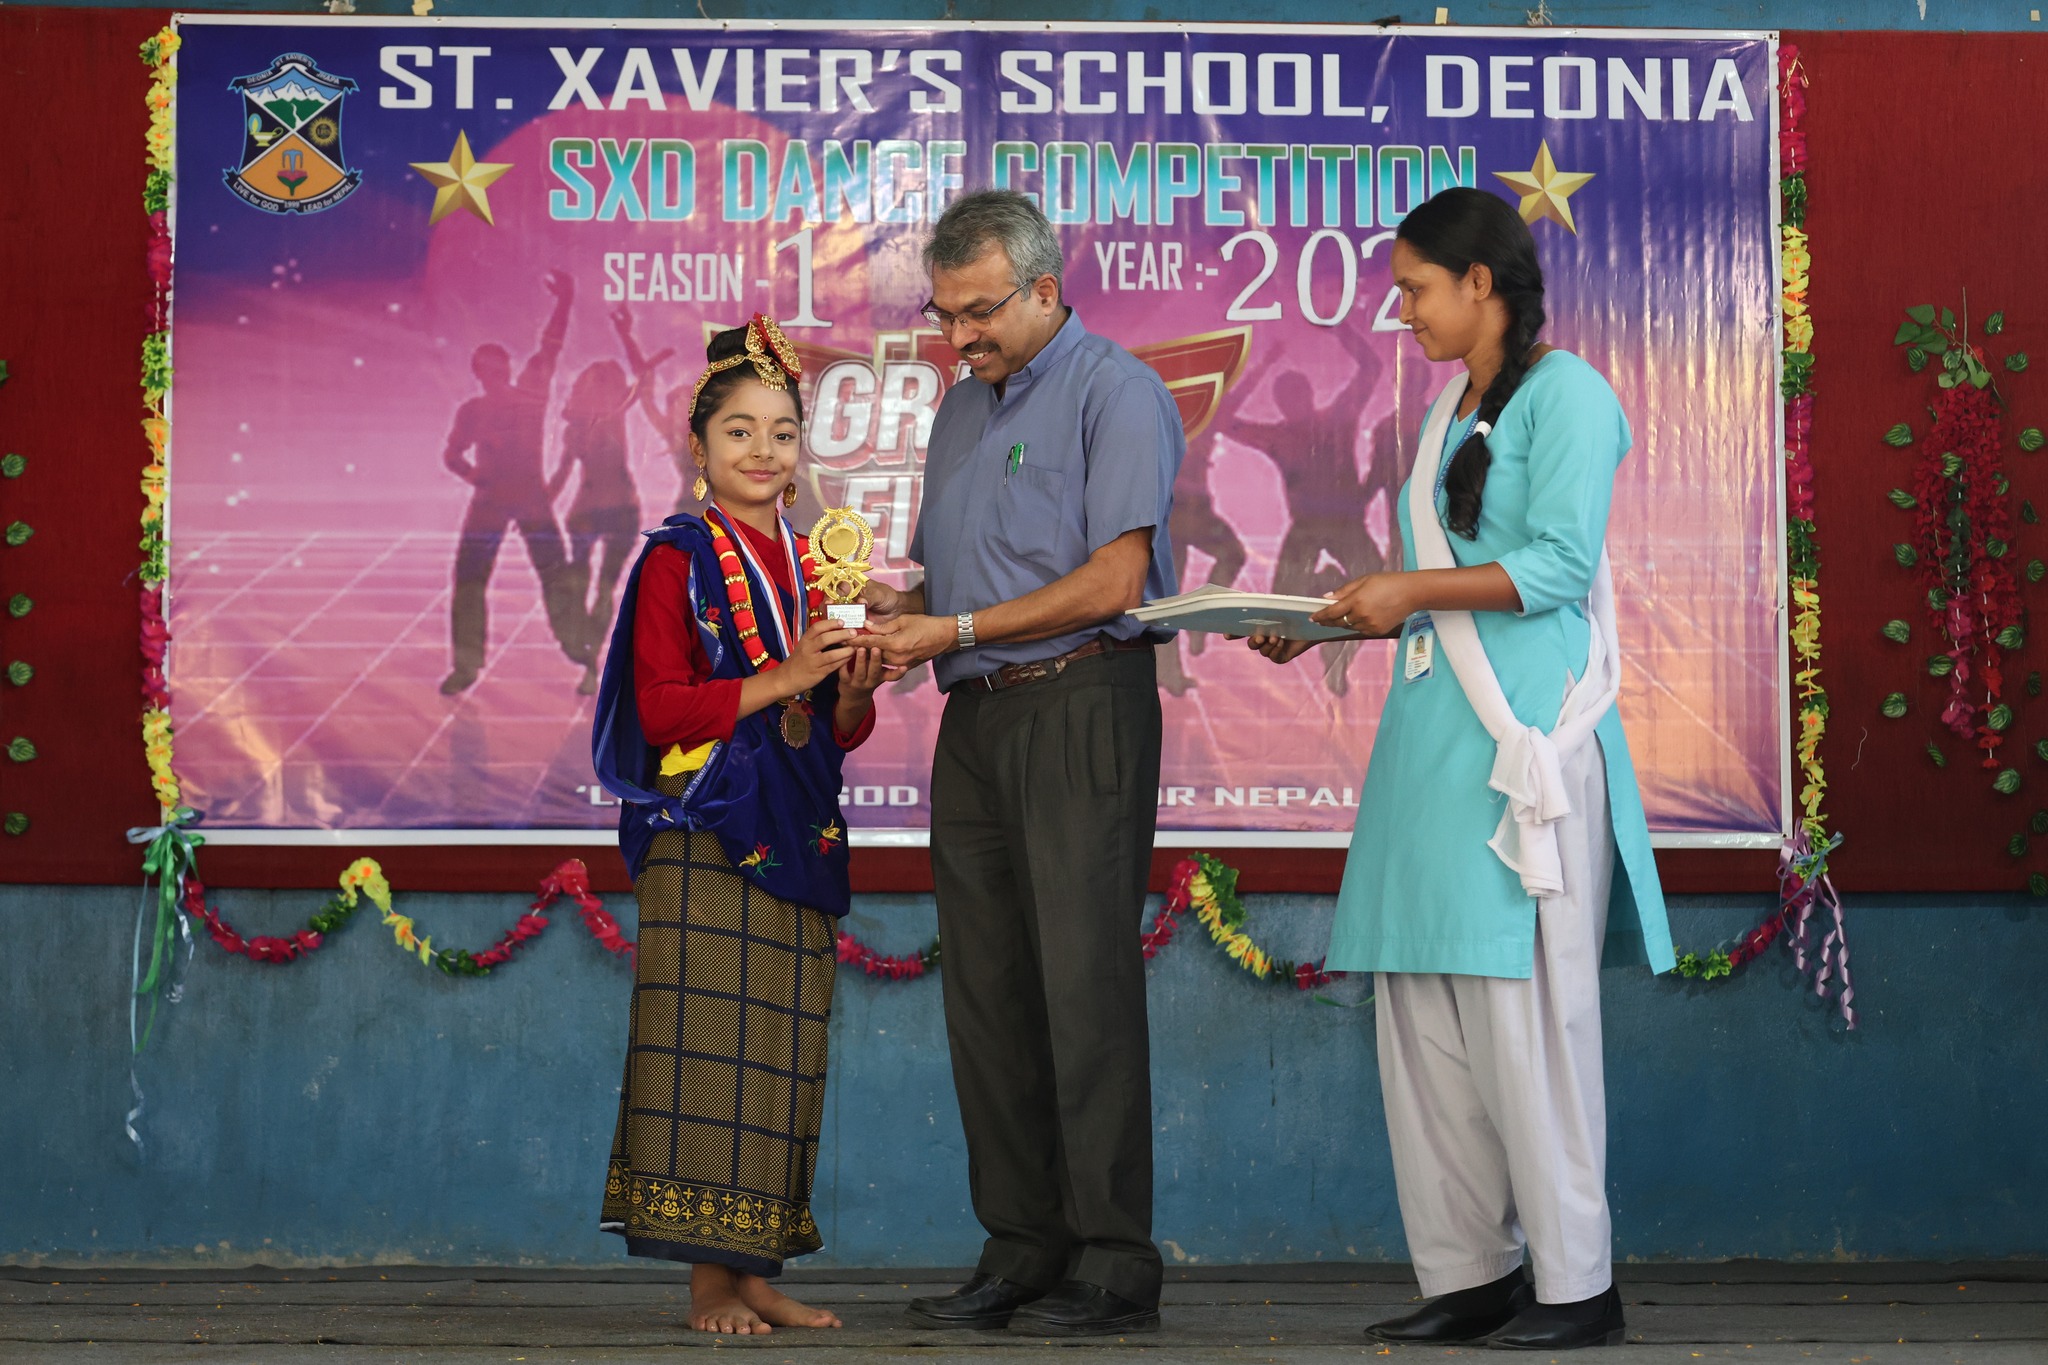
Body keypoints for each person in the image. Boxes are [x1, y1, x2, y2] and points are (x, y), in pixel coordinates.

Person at [1248, 187, 1674, 1351]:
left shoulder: (1567, 393)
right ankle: (1469, 1275)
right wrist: (1328, 625)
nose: (1400, 312)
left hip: (1520, 743)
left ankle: (1575, 1286)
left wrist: (1406, 589)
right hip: (1427, 753)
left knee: (1524, 1024)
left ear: (1478, 282)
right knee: (1421, 1022)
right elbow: (1428, 592)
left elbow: (1556, 566)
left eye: (1414, 289)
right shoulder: (1447, 408)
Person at [854, 189, 1182, 1337]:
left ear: (1045, 289)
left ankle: (1113, 1261)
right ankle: (1021, 1246)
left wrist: (949, 628)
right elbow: (951, 581)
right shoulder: (959, 409)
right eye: (944, 315)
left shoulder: (1116, 391)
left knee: (1083, 985)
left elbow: (1113, 582)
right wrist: (887, 615)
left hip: (1080, 702)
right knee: (986, 992)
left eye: (980, 312)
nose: (960, 336)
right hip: (976, 718)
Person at [591, 315, 884, 1336]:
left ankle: (754, 1268)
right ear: (699, 446)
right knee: (707, 1050)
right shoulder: (674, 561)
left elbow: (834, 731)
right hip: (704, 829)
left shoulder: (814, 564)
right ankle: (706, 1285)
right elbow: (661, 708)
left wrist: (852, 686)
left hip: (797, 828)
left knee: (781, 1051)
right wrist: (789, 674)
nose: (763, 451)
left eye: (782, 433)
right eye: (739, 431)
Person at [438, 269, 589, 694]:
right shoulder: (474, 411)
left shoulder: (530, 397)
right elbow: (451, 455)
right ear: (479, 373)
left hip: (527, 499)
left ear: (506, 367)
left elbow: (550, 347)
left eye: (498, 365)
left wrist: (564, 302)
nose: (495, 373)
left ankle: (578, 647)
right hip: (493, 502)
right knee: (471, 580)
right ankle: (467, 664)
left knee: (554, 575)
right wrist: (475, 477)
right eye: (487, 368)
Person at [550, 335, 657, 695]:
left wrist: (627, 335)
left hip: (620, 513)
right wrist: (536, 504)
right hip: (586, 514)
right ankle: (587, 656)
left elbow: (642, 381)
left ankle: (592, 662)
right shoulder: (575, 431)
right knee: (583, 587)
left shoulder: (615, 417)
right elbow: (561, 475)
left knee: (604, 589)